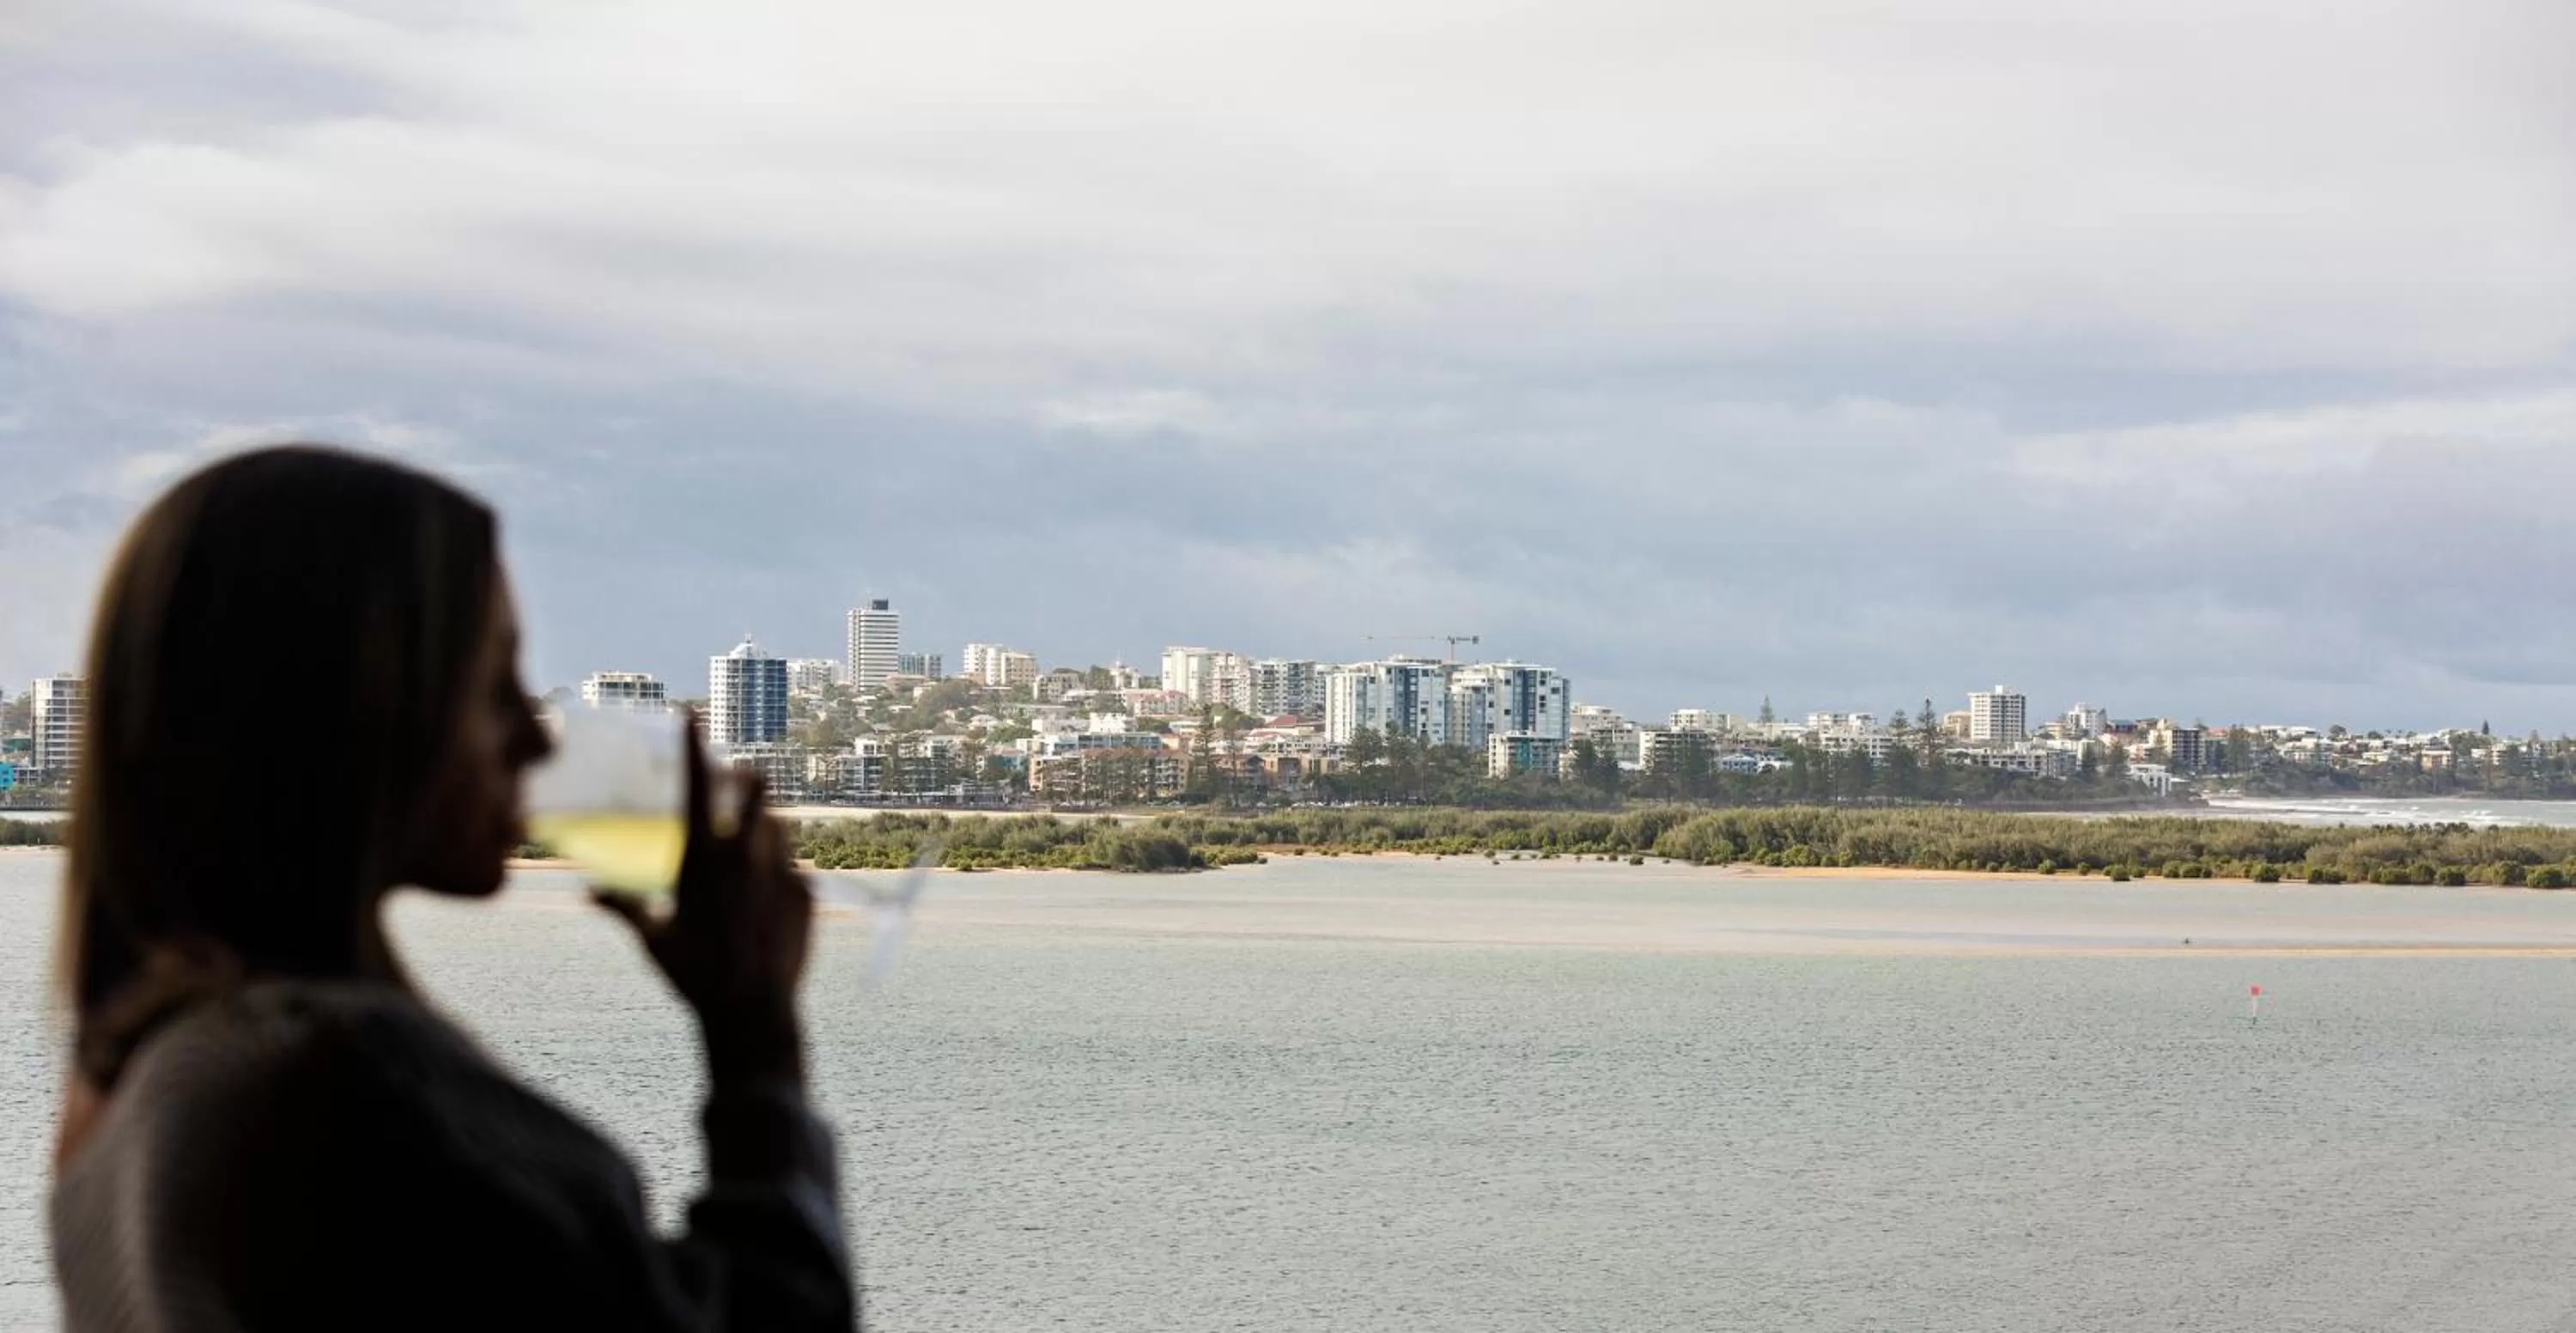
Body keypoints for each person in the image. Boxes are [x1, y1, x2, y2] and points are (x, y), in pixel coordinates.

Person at [48, 446, 855, 1330]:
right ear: (356, 706)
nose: (535, 743)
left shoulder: (126, 1092)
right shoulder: (346, 1095)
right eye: (492, 684)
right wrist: (756, 1038)